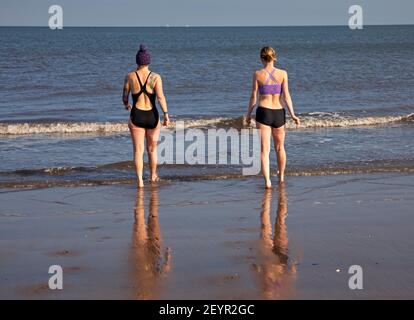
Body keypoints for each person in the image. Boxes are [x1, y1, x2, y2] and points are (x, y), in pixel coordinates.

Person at [246, 46, 300, 187]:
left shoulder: (257, 74)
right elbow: (286, 96)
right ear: (274, 57)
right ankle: (281, 177)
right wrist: (293, 114)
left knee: (264, 150)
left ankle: (268, 182)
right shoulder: (283, 74)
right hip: (278, 113)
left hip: (263, 112)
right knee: (280, 148)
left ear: (261, 58)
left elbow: (253, 97)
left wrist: (248, 115)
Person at [122, 44, 170, 188]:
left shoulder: (130, 76)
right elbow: (160, 97)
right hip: (152, 116)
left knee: (138, 150)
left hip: (136, 115)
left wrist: (126, 105)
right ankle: (153, 175)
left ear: (137, 61)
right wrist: (166, 115)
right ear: (148, 61)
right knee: (152, 149)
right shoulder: (155, 77)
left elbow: (125, 96)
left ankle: (140, 181)